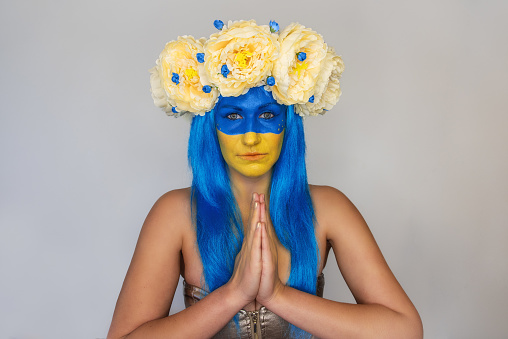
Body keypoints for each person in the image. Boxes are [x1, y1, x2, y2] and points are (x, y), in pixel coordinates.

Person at [107, 20, 423, 339]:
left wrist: (278, 296)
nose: (251, 137)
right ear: (208, 126)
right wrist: (233, 294)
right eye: (233, 116)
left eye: (267, 115)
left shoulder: (329, 209)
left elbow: (404, 330)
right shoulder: (174, 215)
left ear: (288, 124)